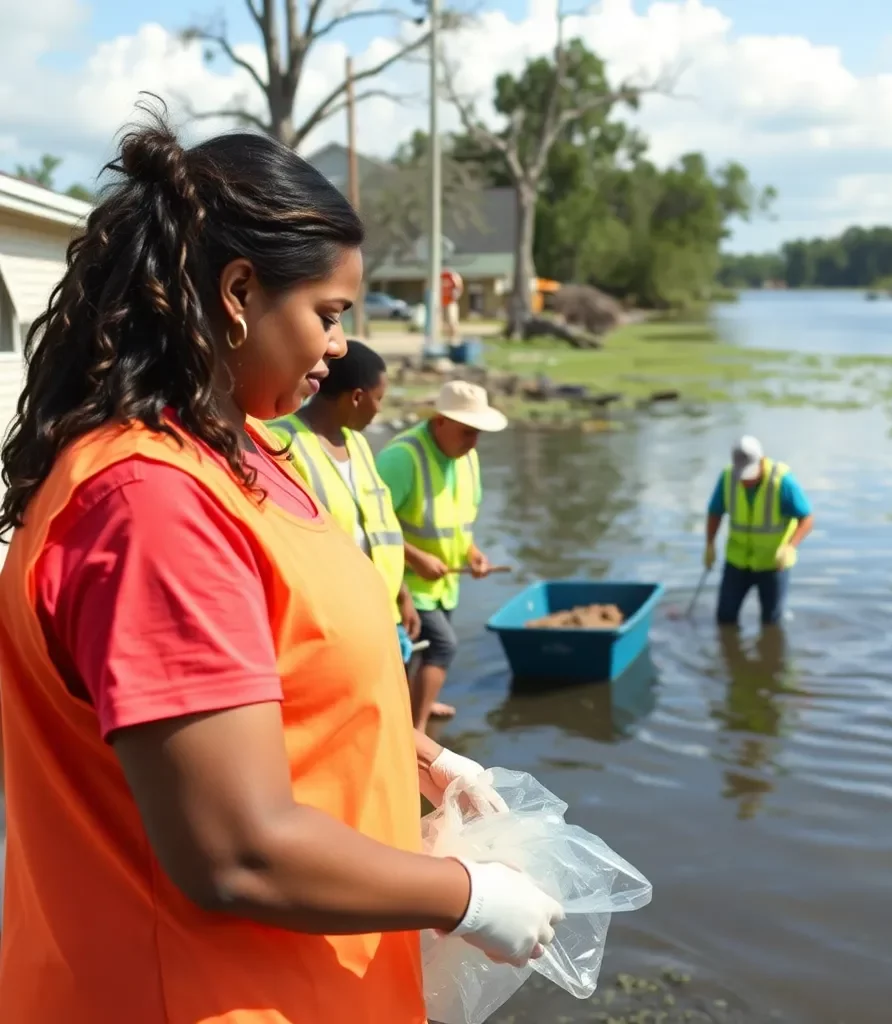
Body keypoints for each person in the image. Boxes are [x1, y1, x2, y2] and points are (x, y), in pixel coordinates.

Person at [0, 114, 562, 1024]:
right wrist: (467, 894)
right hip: (203, 995)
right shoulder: (152, 505)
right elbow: (237, 848)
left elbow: (274, 680)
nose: (340, 346)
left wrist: (412, 756)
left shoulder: (243, 456)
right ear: (237, 291)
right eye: (328, 315)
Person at [266, 341, 421, 664]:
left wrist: (401, 595)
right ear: (356, 397)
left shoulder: (359, 445)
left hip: (379, 612)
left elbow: (378, 532)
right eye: (378, 399)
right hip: (327, 621)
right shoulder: (281, 442)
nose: (379, 409)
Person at [376, 380, 506, 729]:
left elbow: (461, 523)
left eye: (478, 433)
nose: (473, 442)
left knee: (421, 651)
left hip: (445, 583)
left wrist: (473, 554)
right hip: (403, 582)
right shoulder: (402, 458)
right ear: (440, 422)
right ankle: (413, 735)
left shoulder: (468, 458)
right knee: (442, 647)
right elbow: (371, 524)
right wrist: (416, 557)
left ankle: (420, 704)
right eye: (467, 432)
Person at [703, 435, 814, 627]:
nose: (746, 481)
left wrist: (790, 547)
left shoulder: (783, 481)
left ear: (762, 461)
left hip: (773, 563)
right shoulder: (728, 477)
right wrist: (710, 544)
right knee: (725, 617)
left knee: (771, 622)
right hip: (737, 561)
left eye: (750, 474)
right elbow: (715, 512)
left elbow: (807, 519)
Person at [440, 268, 463, 345]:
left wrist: (455, 296)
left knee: (452, 321)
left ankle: (454, 339)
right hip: (441, 303)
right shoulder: (440, 276)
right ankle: (447, 339)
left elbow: (459, 287)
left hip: (451, 302)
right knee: (442, 323)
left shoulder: (452, 276)